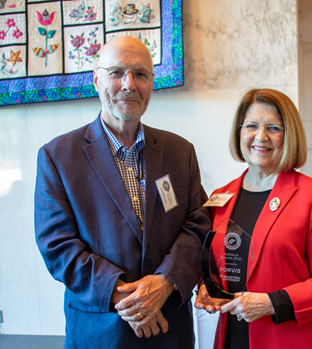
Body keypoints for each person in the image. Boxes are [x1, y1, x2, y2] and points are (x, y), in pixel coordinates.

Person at [34, 36, 211, 349]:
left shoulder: (180, 152)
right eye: (116, 73)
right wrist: (131, 300)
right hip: (100, 330)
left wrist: (165, 282)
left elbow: (199, 224)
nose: (129, 84)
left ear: (152, 83)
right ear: (96, 80)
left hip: (171, 329)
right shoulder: (58, 156)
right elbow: (57, 245)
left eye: (140, 74)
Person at [194, 88, 312, 349]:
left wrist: (270, 303)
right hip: (233, 336)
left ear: (289, 135)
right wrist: (205, 287)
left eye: (274, 128)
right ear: (239, 132)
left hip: (292, 338)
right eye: (251, 125)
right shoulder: (220, 196)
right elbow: (212, 260)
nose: (260, 136)